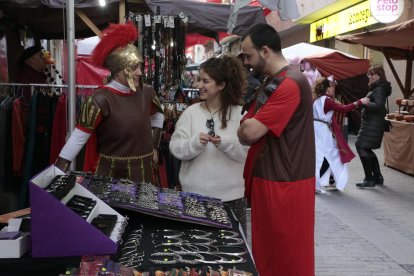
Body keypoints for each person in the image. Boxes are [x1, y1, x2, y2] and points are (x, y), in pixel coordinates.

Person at [237, 23, 315, 276]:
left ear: (266, 51)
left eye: (249, 56)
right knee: (268, 253)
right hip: (274, 178)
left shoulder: (289, 83)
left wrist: (246, 126)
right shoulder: (276, 81)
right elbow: (246, 127)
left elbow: (248, 132)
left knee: (285, 256)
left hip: (284, 182)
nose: (247, 63)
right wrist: (246, 126)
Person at [55, 22, 164, 185]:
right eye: (134, 67)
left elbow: (158, 116)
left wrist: (153, 147)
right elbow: (78, 137)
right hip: (111, 174)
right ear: (117, 69)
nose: (140, 73)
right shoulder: (100, 99)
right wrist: (57, 171)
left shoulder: (147, 92)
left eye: (140, 67)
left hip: (144, 171)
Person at [169, 55, 249, 233]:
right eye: (199, 80)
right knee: (195, 254)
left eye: (205, 81)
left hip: (231, 200)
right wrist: (195, 143)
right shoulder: (190, 113)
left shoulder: (240, 115)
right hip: (194, 198)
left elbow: (248, 153)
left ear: (221, 85)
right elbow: (175, 148)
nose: (198, 85)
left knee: (233, 254)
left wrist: (225, 144)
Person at [313, 77, 369, 192]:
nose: (333, 89)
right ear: (327, 89)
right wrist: (360, 102)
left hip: (317, 129)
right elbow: (343, 109)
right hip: (322, 131)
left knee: (324, 156)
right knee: (330, 155)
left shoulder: (317, 100)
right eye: (332, 86)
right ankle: (318, 182)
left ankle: (320, 181)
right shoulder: (327, 100)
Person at [355, 65, 391, 188]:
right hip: (373, 123)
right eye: (369, 74)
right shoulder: (378, 88)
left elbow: (378, 105)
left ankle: (369, 179)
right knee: (366, 148)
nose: (369, 77)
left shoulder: (379, 89)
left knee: (360, 146)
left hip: (373, 123)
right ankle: (377, 177)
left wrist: (364, 103)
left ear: (379, 76)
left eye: (372, 74)